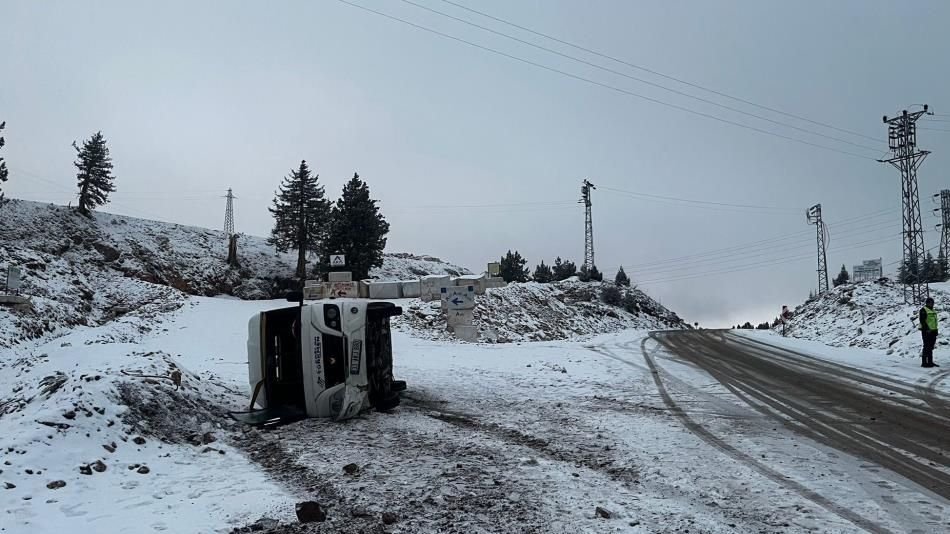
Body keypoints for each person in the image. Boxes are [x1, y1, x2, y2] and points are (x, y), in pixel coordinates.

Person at [919, 297, 939, 368]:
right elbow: (922, 320)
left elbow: (934, 321)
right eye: (930, 302)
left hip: (933, 331)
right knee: (926, 346)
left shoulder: (933, 311)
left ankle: (930, 362)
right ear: (927, 303)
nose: (932, 304)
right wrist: (927, 329)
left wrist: (936, 330)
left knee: (931, 347)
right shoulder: (923, 310)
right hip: (926, 331)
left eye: (932, 302)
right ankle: (924, 362)